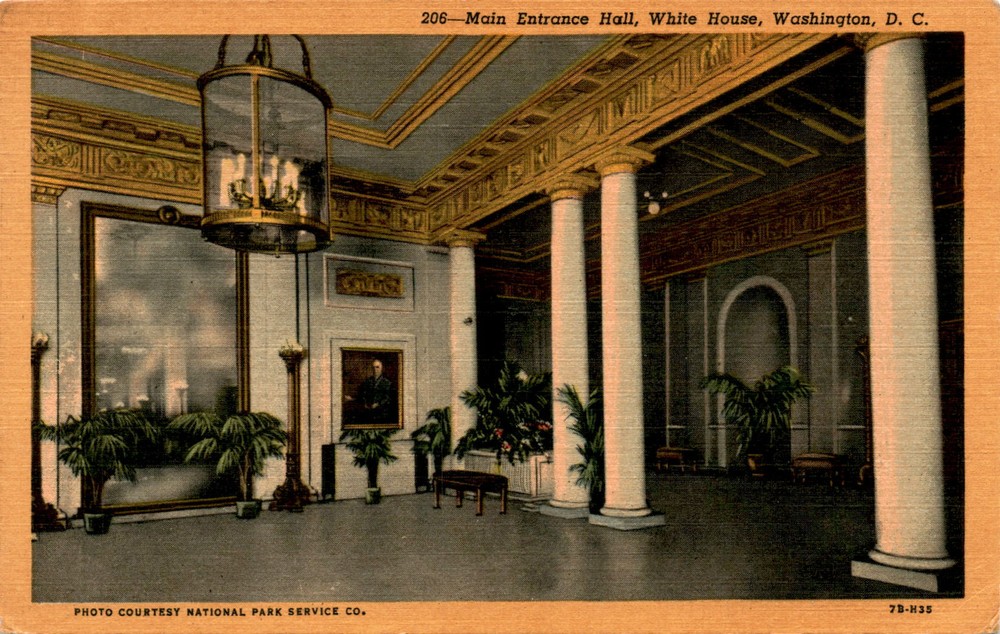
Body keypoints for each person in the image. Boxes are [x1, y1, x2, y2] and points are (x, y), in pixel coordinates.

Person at [347, 358, 394, 426]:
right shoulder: (367, 382)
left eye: (377, 367)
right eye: (373, 367)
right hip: (368, 412)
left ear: (382, 368)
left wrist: (378, 404)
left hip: (382, 414)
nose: (375, 370)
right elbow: (362, 395)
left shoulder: (387, 383)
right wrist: (353, 398)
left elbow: (388, 398)